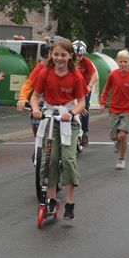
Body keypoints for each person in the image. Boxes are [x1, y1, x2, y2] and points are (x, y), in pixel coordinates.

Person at [30, 37, 87, 220]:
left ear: (70, 55)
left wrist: (70, 114)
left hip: (68, 121)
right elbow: (35, 95)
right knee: (50, 159)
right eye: (56, 54)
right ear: (51, 54)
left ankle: (70, 202)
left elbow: (81, 102)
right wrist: (36, 109)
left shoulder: (76, 76)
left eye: (63, 55)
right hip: (51, 119)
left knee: (68, 159)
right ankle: (52, 198)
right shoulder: (45, 73)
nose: (59, 58)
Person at [99, 49, 129, 170]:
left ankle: (121, 159)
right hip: (114, 109)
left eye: (125, 61)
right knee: (114, 136)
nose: (123, 64)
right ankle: (117, 142)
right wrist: (102, 103)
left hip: (127, 110)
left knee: (122, 135)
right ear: (117, 62)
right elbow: (106, 89)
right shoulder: (113, 75)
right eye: (121, 61)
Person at [72, 40, 97, 148]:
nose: (78, 58)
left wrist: (89, 86)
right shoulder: (68, 61)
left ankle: (85, 132)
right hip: (71, 88)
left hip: (84, 88)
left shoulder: (86, 62)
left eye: (81, 56)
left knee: (84, 108)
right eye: (77, 55)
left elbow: (94, 75)